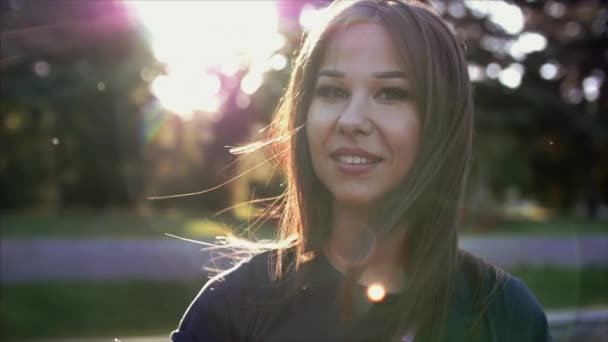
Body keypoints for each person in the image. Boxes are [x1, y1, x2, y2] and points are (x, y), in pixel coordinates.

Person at [171, 0, 551, 341]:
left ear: (441, 124)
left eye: (391, 93)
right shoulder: (233, 310)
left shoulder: (506, 315)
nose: (351, 120)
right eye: (333, 91)